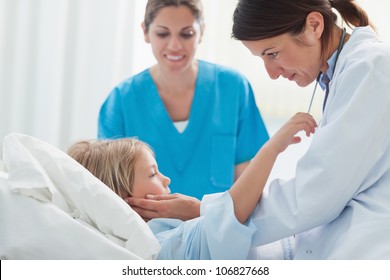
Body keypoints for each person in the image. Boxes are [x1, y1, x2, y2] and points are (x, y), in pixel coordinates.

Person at [231, 0, 390, 259]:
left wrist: (223, 216)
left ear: (314, 26)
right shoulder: (343, 72)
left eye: (272, 53)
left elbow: (318, 193)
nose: (271, 73)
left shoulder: (370, 67)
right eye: (262, 58)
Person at [97, 0, 269, 221]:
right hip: (147, 239)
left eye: (186, 34)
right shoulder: (121, 102)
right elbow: (109, 195)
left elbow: (250, 186)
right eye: (162, 34)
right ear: (145, 32)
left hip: (220, 233)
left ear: (201, 32)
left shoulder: (233, 88)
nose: (175, 45)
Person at [69, 113, 317, 259]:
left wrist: (196, 210)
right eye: (153, 173)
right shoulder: (155, 246)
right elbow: (231, 214)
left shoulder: (168, 230)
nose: (166, 179)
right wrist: (272, 149)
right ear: (124, 197)